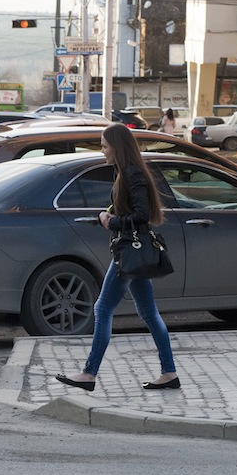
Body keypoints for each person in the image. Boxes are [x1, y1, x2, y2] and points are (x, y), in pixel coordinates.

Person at [56, 122, 180, 392]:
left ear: (117, 147)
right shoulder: (127, 173)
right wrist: (108, 213)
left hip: (129, 251)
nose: (102, 151)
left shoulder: (133, 174)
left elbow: (142, 216)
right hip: (131, 252)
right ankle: (169, 372)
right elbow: (130, 208)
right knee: (148, 312)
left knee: (102, 309)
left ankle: (89, 374)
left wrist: (112, 222)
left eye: (104, 146)